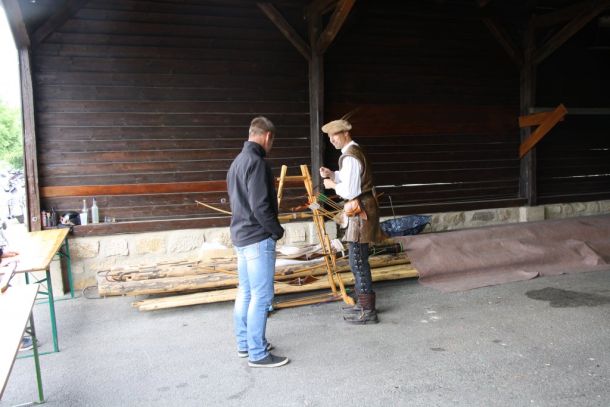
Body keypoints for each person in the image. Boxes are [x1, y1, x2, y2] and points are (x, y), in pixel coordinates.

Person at [226, 116, 289, 368]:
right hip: (257, 238)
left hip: (241, 236)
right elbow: (260, 207)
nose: (271, 146)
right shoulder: (257, 163)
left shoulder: (237, 162)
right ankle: (258, 353)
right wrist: (277, 231)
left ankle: (245, 344)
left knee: (246, 292)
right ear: (267, 136)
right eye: (272, 141)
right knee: (261, 297)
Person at [319, 119, 385, 324]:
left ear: (345, 133)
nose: (331, 140)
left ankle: (368, 311)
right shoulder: (352, 153)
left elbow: (350, 190)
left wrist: (331, 184)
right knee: (357, 260)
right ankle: (363, 306)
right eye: (329, 137)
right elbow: (351, 178)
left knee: (358, 261)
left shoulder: (350, 156)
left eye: (334, 135)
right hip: (360, 210)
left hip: (360, 212)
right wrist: (334, 174)